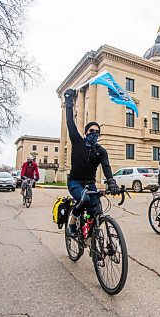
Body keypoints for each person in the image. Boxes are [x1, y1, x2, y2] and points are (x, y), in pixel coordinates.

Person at [63, 88, 120, 238]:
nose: (94, 133)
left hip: (91, 184)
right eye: (91, 131)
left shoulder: (101, 151)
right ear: (85, 133)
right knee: (85, 198)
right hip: (75, 183)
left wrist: (112, 181)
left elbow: (106, 167)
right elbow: (70, 122)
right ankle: (72, 222)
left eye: (97, 131)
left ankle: (90, 237)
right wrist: (69, 101)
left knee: (96, 211)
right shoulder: (77, 142)